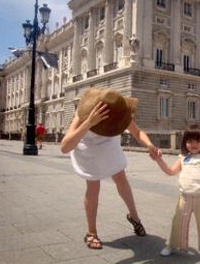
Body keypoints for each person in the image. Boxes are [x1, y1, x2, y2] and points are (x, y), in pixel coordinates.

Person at [60, 88, 161, 250]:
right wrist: (88, 123)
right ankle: (91, 232)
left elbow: (137, 132)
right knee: (93, 185)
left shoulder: (118, 112)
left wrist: (149, 144)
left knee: (121, 178)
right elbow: (65, 147)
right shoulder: (83, 114)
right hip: (88, 147)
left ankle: (135, 218)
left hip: (109, 144)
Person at [155, 125, 200, 262]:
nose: (193, 144)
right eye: (190, 141)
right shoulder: (183, 157)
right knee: (178, 223)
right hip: (185, 198)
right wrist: (159, 160)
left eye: (197, 141)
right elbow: (170, 171)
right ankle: (171, 245)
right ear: (184, 142)